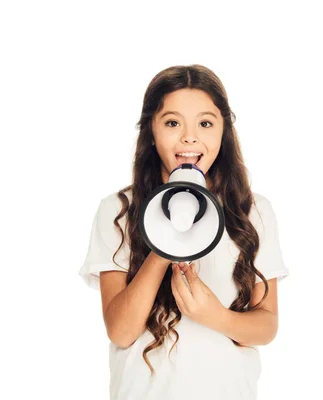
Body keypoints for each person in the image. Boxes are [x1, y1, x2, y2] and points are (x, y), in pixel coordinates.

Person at [78, 64, 290, 400]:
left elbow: (266, 326)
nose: (189, 137)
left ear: (224, 132)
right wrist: (165, 243)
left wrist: (214, 315)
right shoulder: (117, 210)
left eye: (205, 123)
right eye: (173, 123)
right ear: (151, 130)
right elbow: (120, 331)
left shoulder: (253, 210)